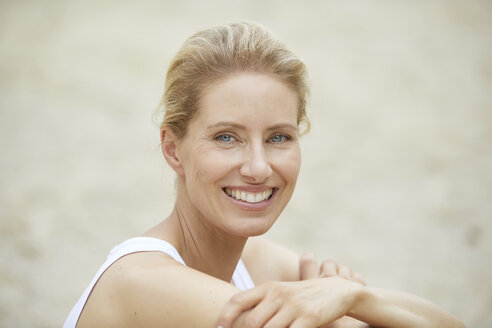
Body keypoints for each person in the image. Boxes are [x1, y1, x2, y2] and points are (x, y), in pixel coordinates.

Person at [64, 22, 465, 328]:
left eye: (278, 137)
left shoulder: (254, 262)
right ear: (173, 149)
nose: (258, 168)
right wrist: (343, 308)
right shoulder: (144, 281)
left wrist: (351, 297)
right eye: (226, 137)